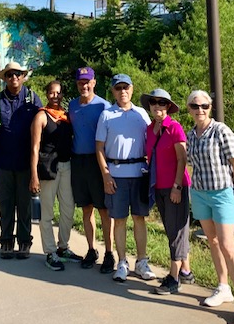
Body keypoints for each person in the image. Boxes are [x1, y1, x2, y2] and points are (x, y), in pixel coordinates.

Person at [186, 90, 234, 324]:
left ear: (210, 106)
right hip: (200, 194)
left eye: (204, 105)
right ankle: (223, 287)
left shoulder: (221, 131)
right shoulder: (191, 135)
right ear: (189, 109)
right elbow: (190, 164)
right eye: (195, 106)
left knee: (227, 245)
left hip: (223, 194)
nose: (200, 109)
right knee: (212, 241)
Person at [96, 73, 155, 282]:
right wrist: (105, 174)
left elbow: (153, 139)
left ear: (132, 89)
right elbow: (100, 147)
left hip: (139, 172)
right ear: (113, 91)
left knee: (140, 218)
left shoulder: (142, 114)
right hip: (116, 174)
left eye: (126, 87)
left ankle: (141, 261)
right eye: (118, 88)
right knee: (119, 220)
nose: (123, 91)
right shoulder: (106, 115)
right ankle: (122, 262)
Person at [0, 61, 42, 259]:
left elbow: (42, 131)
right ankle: (6, 241)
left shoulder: (33, 100)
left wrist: (39, 166)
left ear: (23, 76)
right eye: (9, 75)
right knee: (5, 204)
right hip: (2, 163)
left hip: (26, 164)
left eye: (17, 74)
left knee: (24, 205)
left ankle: (24, 242)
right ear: (5, 78)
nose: (14, 78)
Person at [140, 88, 193, 294]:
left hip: (175, 186)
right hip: (158, 186)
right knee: (172, 228)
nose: (157, 106)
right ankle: (186, 271)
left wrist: (177, 186)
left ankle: (173, 277)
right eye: (154, 103)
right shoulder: (149, 129)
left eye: (162, 103)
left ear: (168, 107)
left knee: (177, 232)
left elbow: (182, 158)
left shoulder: (175, 128)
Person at [30, 80, 82, 271]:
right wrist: (34, 175)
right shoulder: (41, 116)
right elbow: (34, 148)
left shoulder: (66, 116)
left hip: (66, 165)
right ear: (47, 94)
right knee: (47, 211)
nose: (55, 96)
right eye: (52, 93)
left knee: (68, 208)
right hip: (47, 168)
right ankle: (50, 251)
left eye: (59, 93)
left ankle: (63, 246)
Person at [68, 67, 114, 273]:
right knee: (86, 208)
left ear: (94, 82)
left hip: (98, 162)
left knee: (104, 209)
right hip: (78, 161)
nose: (84, 86)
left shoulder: (104, 106)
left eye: (87, 82)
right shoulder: (72, 105)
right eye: (80, 82)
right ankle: (91, 249)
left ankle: (109, 253)